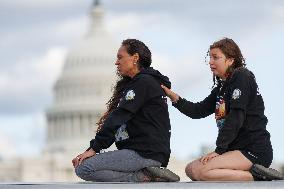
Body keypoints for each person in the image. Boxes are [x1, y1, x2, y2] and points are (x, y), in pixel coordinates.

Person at [161, 38, 284, 181]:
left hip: (253, 150)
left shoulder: (242, 76)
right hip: (235, 151)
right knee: (191, 169)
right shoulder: (221, 88)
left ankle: (258, 176)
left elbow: (236, 117)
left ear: (230, 60)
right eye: (210, 57)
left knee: (201, 172)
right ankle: (254, 175)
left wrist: (219, 150)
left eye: (216, 57)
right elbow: (198, 110)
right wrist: (173, 96)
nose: (211, 62)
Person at [72, 39, 180, 182]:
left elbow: (118, 117)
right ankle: (148, 173)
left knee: (84, 167)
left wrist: (94, 148)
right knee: (87, 166)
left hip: (144, 153)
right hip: (147, 152)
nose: (116, 62)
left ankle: (142, 176)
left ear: (135, 58)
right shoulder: (142, 82)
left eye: (120, 57)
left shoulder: (143, 83)